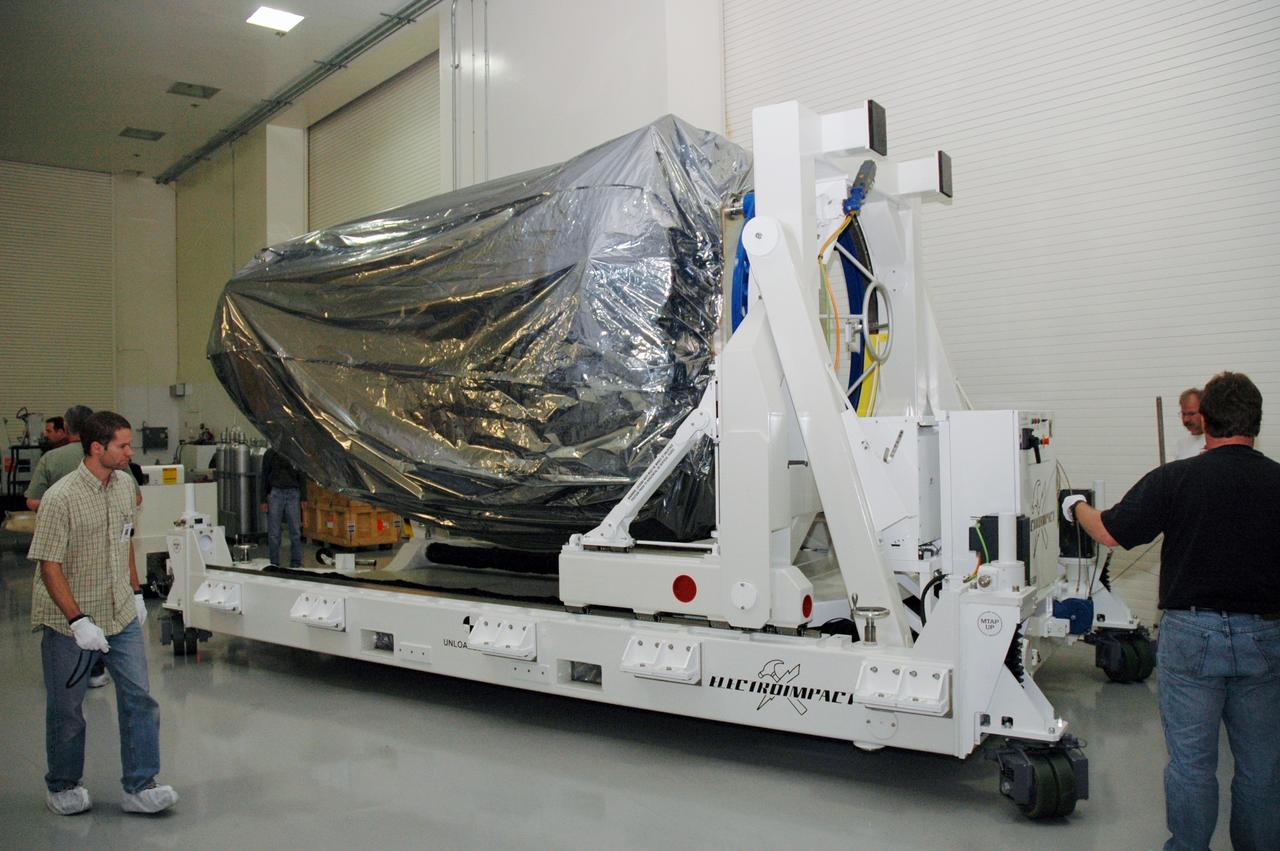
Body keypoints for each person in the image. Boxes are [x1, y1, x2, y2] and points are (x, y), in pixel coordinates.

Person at [1063, 372, 1279, 851]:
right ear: (1256, 422)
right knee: (1262, 767)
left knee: (1192, 764)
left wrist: (1075, 505)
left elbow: (1109, 532)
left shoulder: (1176, 478)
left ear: (1204, 422)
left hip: (1191, 634)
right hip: (1265, 638)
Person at [26, 411, 178, 816]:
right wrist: (77, 621)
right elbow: (49, 565)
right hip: (69, 621)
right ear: (98, 448)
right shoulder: (61, 498)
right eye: (123, 445)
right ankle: (62, 785)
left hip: (119, 614)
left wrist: (133, 592)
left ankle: (139, 785)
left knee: (140, 699)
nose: (131, 452)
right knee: (67, 708)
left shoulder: (125, 485)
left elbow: (126, 539)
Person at [26, 405, 93, 511]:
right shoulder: (112, 455)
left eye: (49, 431)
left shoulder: (50, 458)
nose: (45, 435)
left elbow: (33, 502)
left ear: (65, 428)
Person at [261, 448, 304, 568]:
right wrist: (263, 499)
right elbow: (264, 476)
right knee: (274, 532)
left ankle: (296, 562)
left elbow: (302, 474)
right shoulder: (270, 454)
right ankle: (274, 563)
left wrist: (304, 497)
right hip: (275, 493)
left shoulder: (296, 452)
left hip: (293, 493)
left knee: (295, 531)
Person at [1172, 387, 1205, 460]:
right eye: (1183, 414)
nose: (1186, 419)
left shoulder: (1215, 442)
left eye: (1191, 414)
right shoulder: (1181, 443)